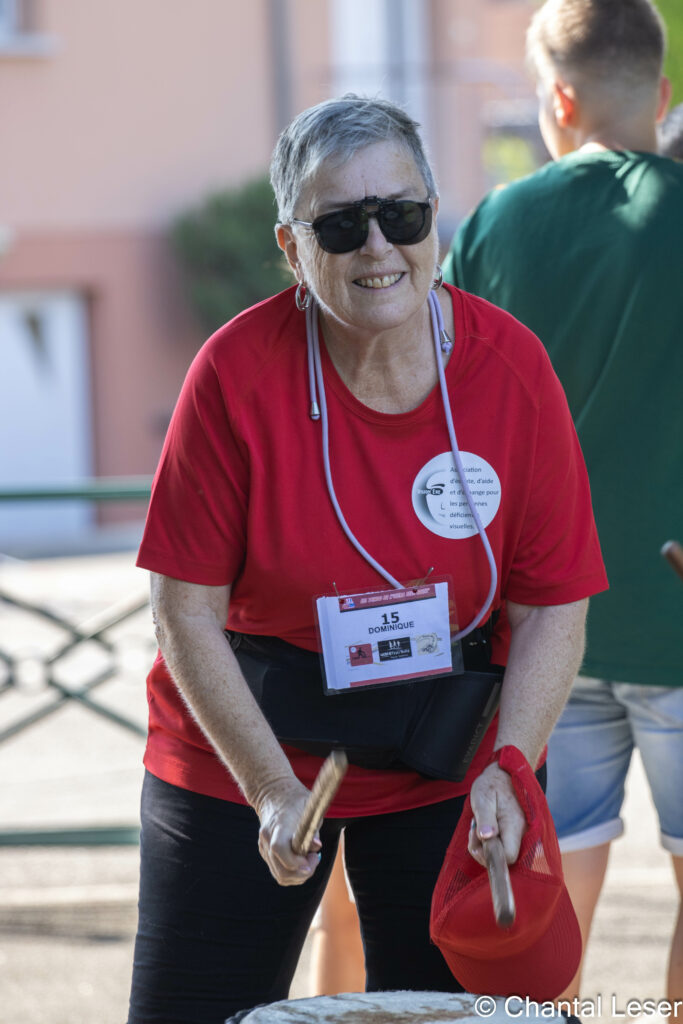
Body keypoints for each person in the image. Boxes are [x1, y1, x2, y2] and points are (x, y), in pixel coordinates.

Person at [127, 93, 607, 1024]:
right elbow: (183, 611)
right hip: (246, 746)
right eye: (341, 225)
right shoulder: (233, 372)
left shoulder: (511, 368)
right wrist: (269, 790)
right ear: (291, 248)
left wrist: (510, 762)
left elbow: (553, 605)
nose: (378, 247)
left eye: (402, 214)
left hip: (453, 748)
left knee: (455, 1018)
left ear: (435, 213)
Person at [443, 0, 683, 1003]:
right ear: (662, 94)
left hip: (545, 625)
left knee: (546, 893)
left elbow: (449, 407)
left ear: (557, 100)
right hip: (675, 614)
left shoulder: (498, 221)